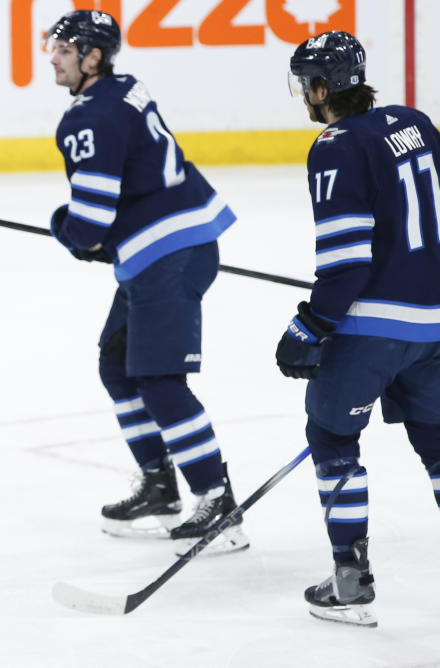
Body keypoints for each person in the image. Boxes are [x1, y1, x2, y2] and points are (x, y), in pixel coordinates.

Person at [44, 9, 246, 553]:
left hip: (169, 253)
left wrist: (69, 230)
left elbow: (88, 224)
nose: (54, 57)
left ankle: (216, 497)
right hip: (168, 243)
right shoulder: (126, 88)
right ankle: (160, 484)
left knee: (159, 380)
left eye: (66, 48)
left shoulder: (86, 119)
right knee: (118, 363)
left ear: (93, 57)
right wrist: (100, 238)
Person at [278, 30, 440, 628]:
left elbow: (347, 263)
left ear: (324, 89)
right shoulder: (416, 123)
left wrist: (311, 324)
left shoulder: (335, 144)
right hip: (437, 324)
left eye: (306, 85)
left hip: (372, 330)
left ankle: (350, 581)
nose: (304, 97)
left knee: (332, 435)